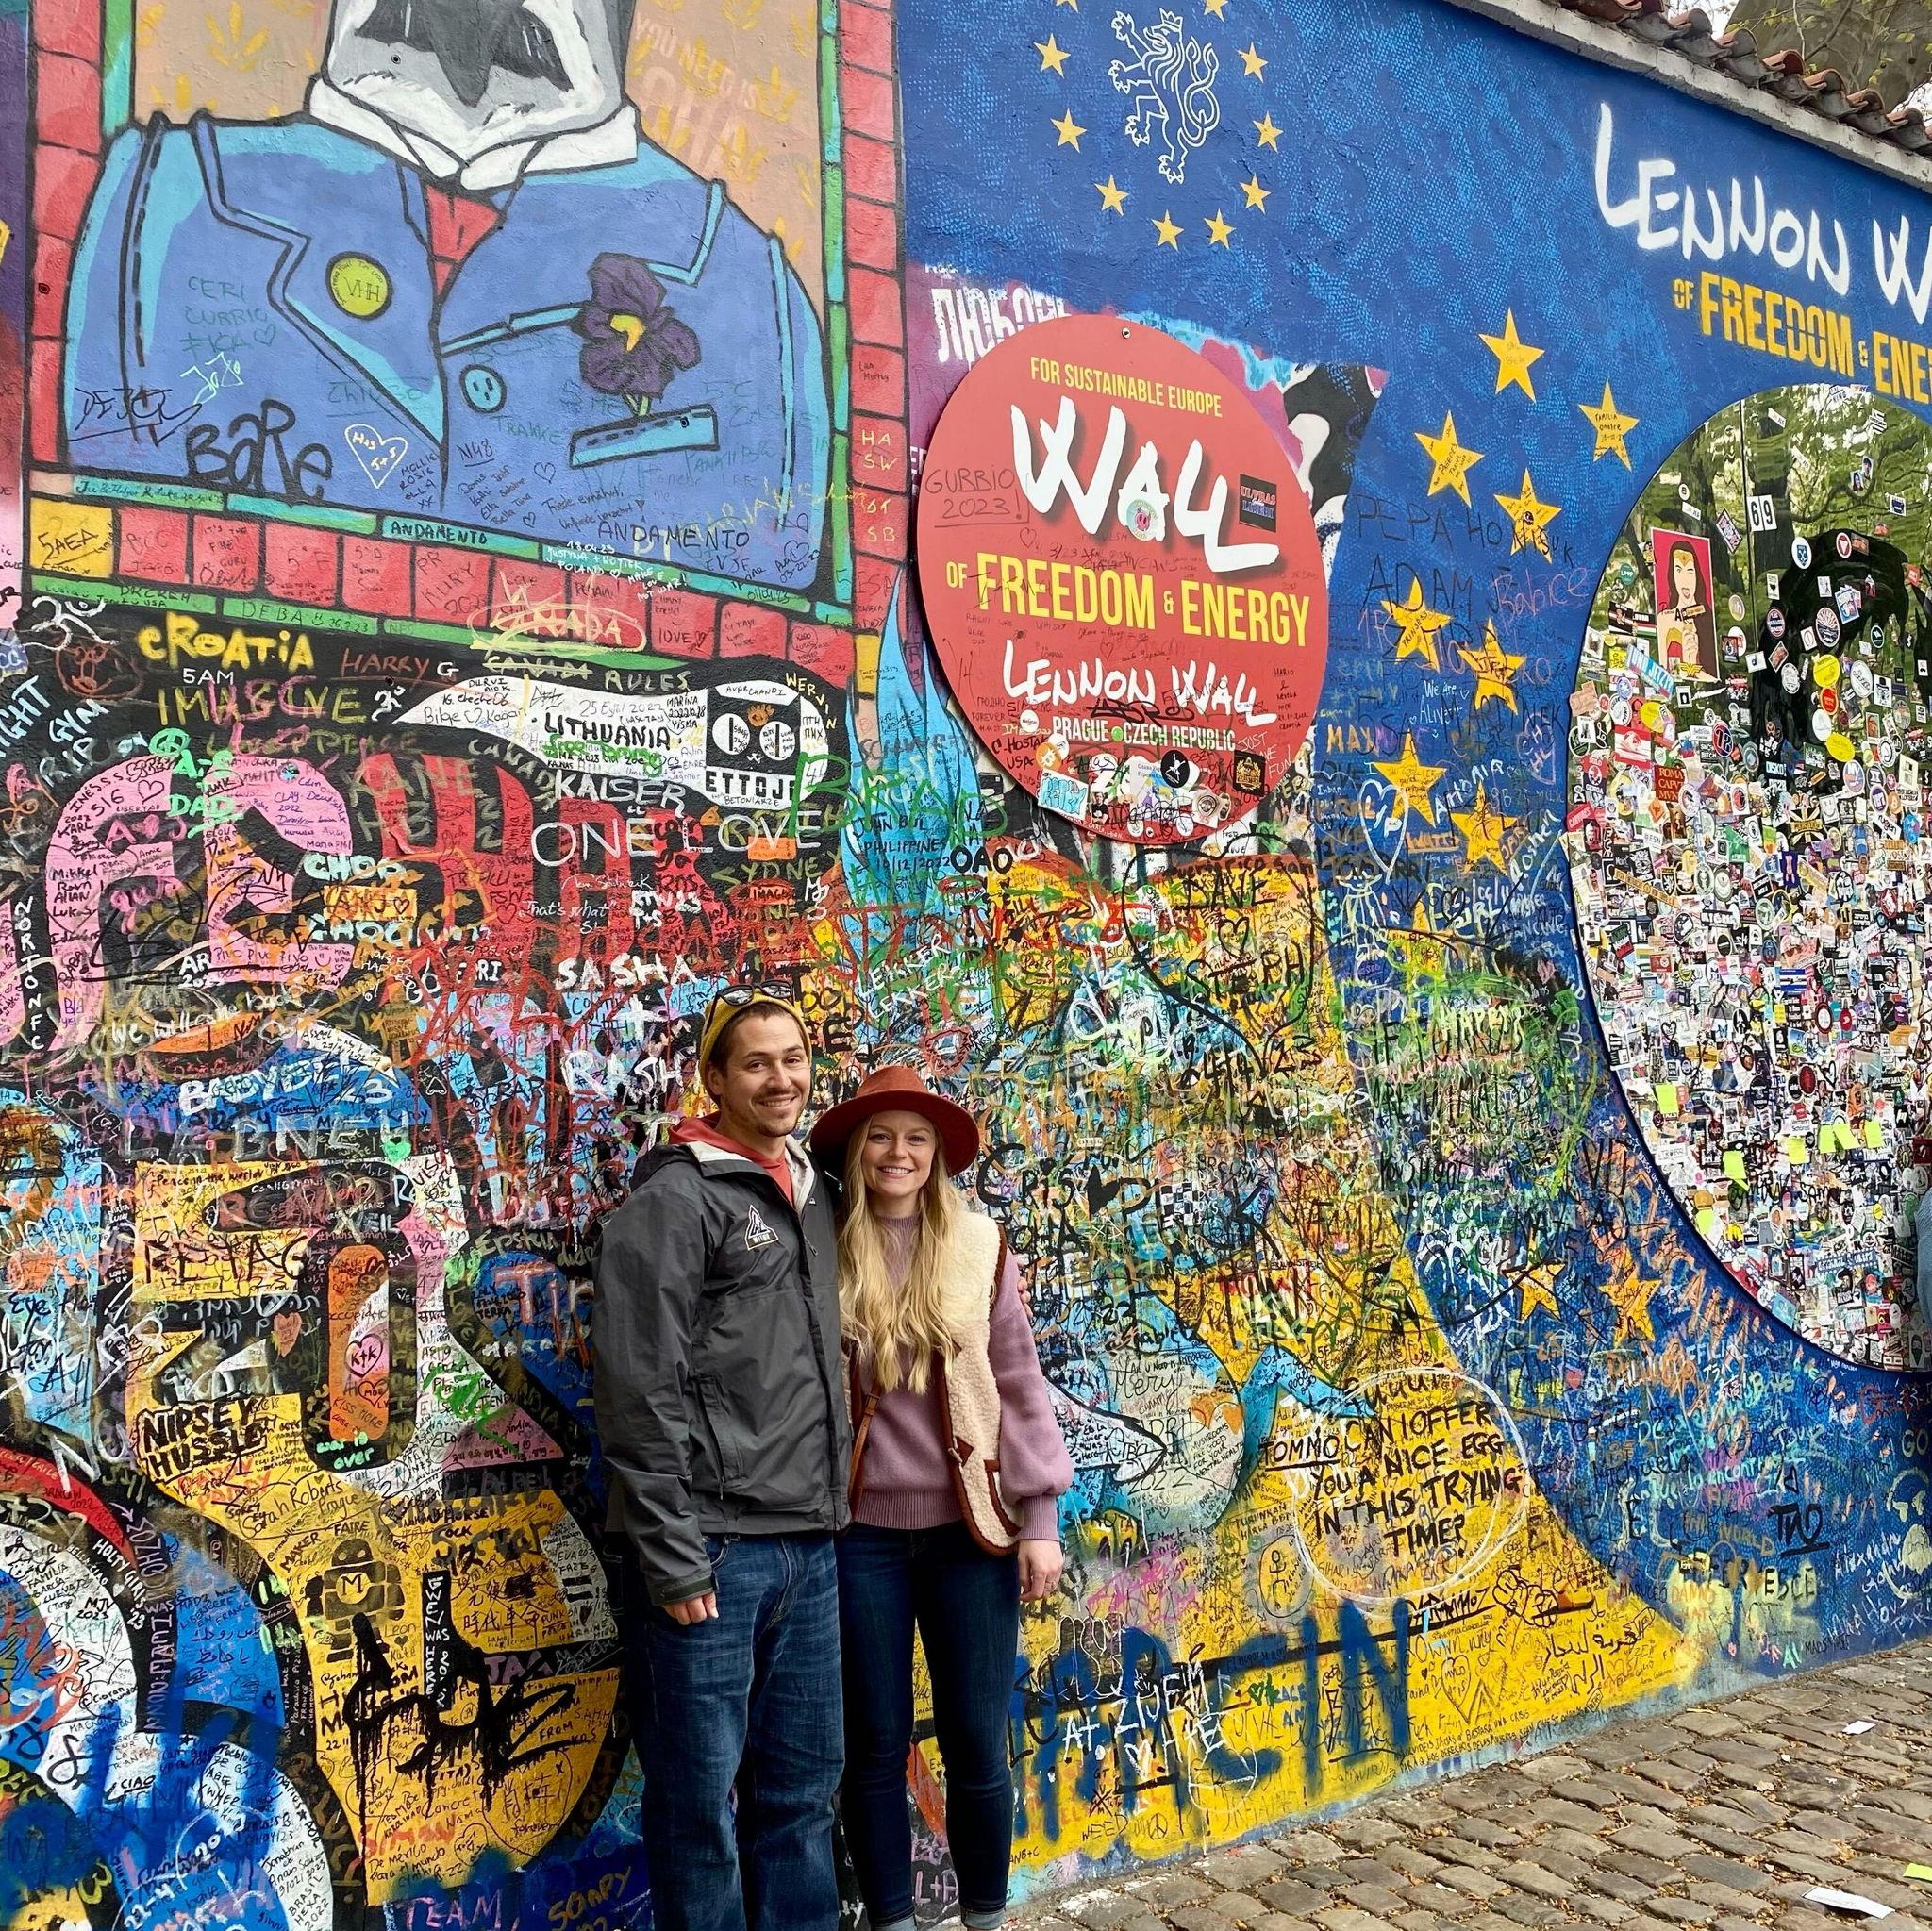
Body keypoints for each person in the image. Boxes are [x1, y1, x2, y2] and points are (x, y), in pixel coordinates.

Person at [594, 989, 849, 1931]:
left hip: (810, 1546)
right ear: (714, 1079)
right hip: (710, 1553)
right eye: (755, 1062)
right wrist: (670, 1553)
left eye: (792, 1058)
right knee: (700, 1811)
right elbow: (634, 1386)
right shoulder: (675, 1200)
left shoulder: (811, 1186)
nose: (779, 1078)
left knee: (799, 1797)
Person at [808, 1066, 1074, 1931]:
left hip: (972, 1535)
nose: (899, 1152)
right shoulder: (818, 1245)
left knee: (973, 1742)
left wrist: (1040, 1520)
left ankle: (985, 1917)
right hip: (859, 1539)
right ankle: (890, 1919)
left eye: (916, 1138)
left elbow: (1019, 1383)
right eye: (881, 1135)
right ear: (857, 1149)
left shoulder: (977, 1244)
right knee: (874, 1748)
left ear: (937, 1154)